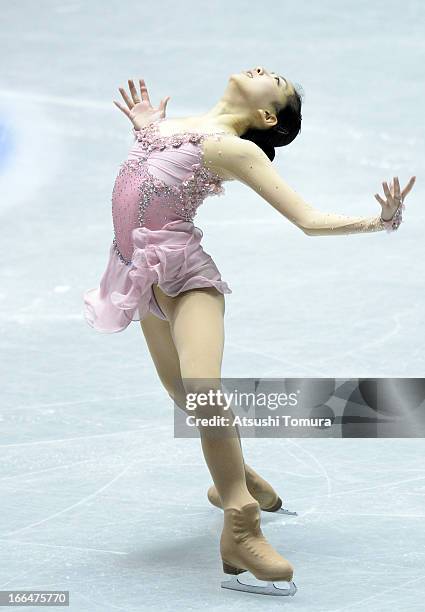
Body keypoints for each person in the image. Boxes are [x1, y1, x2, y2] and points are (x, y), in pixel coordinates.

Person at [84, 67, 416, 596]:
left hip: (185, 278)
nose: (266, 71)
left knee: (202, 387)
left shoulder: (235, 150)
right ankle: (239, 476)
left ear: (266, 116)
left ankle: (240, 525)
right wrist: (146, 125)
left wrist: (379, 222)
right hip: (137, 274)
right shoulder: (175, 125)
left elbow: (305, 218)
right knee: (183, 395)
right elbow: (150, 173)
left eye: (277, 81)